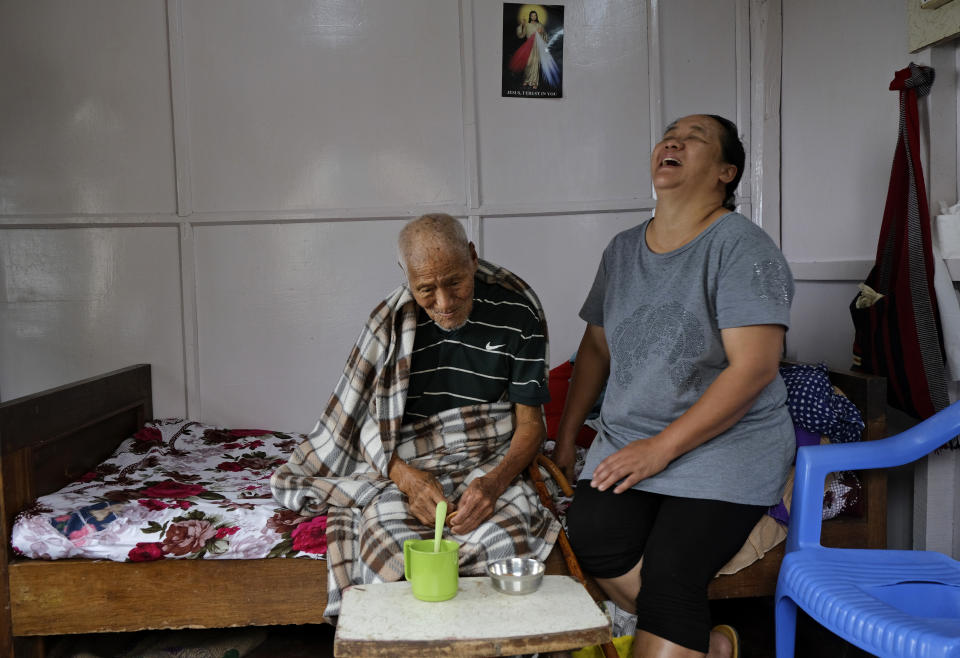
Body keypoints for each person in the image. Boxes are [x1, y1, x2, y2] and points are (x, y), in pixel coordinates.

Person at [552, 115, 794, 658]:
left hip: (725, 444)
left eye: (696, 138)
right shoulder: (620, 251)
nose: (674, 141)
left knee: (671, 571)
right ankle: (709, 647)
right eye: (670, 134)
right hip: (630, 438)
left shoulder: (742, 248)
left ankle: (685, 632)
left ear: (726, 173)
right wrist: (569, 436)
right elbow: (595, 348)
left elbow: (754, 368)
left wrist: (660, 451)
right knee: (594, 537)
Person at [271, 213, 559, 618]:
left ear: (472, 258)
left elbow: (531, 424)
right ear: (407, 279)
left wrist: (493, 485)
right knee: (389, 547)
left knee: (504, 543)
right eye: (426, 289)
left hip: (490, 460)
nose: (443, 303)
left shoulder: (518, 314)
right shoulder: (391, 324)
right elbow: (367, 424)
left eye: (455, 282)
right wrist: (406, 480)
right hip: (410, 464)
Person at [508, 9, 560, 89]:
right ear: (530, 16)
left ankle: (534, 82)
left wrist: (542, 33)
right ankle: (527, 80)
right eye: (532, 15)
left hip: (537, 46)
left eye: (535, 15)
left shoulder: (540, 25)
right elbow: (521, 35)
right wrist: (522, 25)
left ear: (536, 16)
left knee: (535, 64)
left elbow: (545, 37)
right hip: (528, 46)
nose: (533, 17)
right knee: (528, 63)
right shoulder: (527, 25)